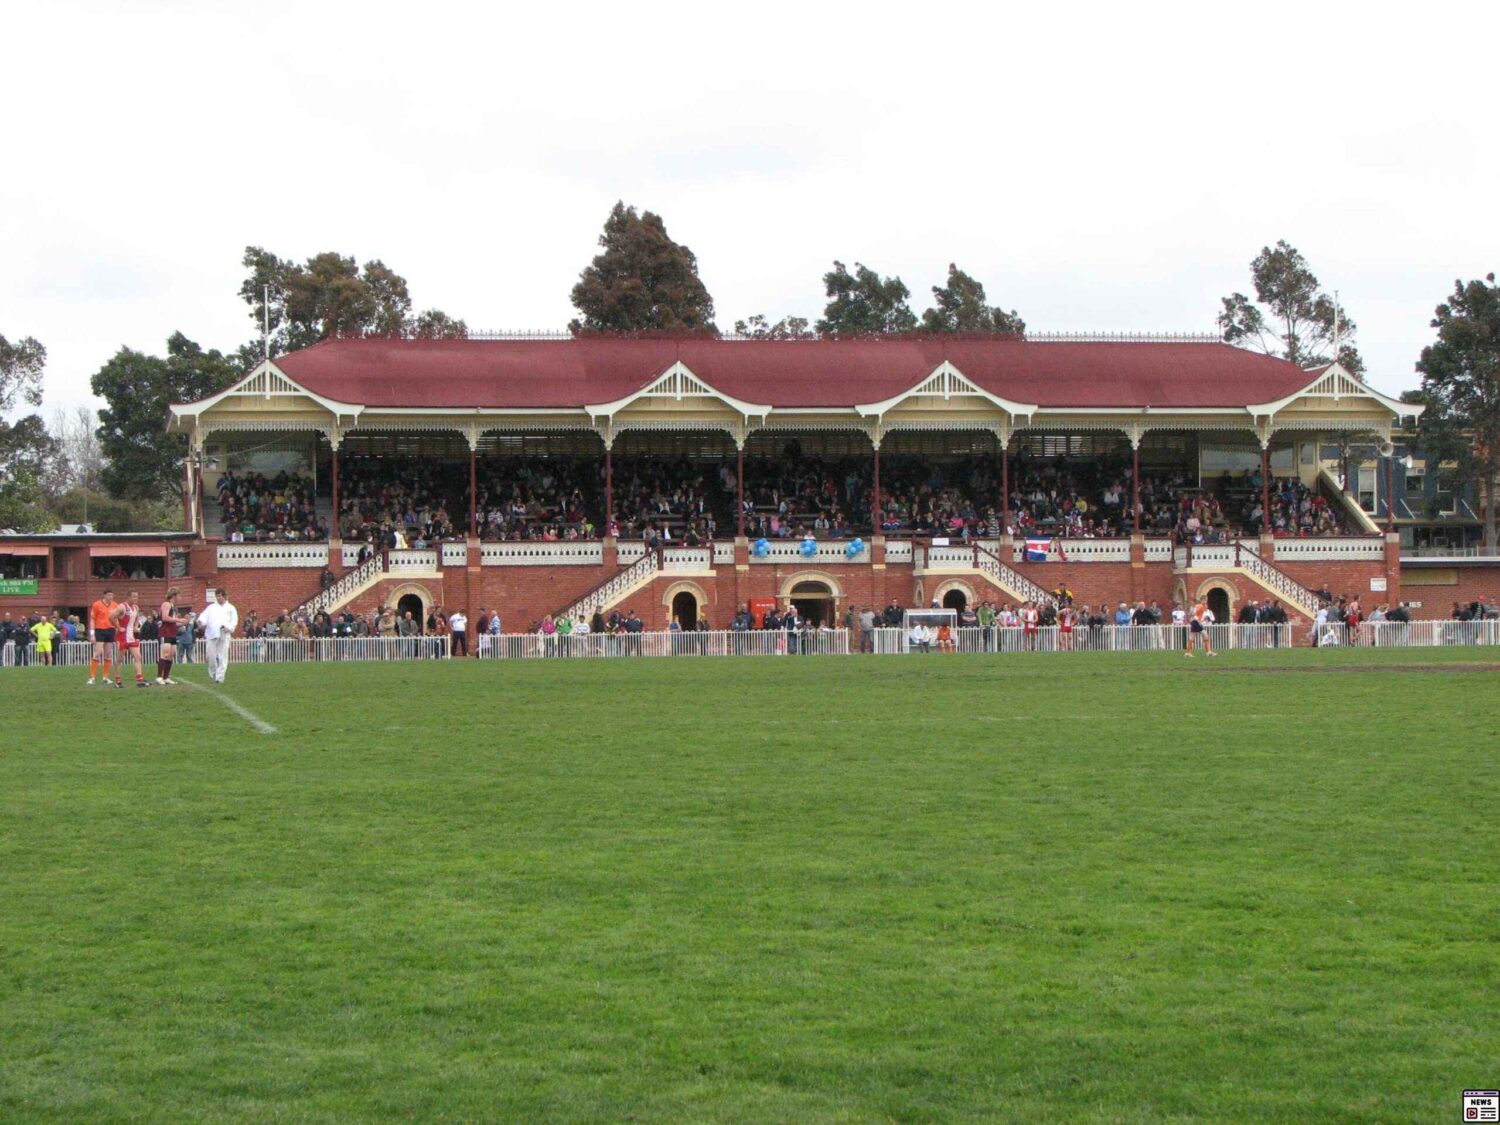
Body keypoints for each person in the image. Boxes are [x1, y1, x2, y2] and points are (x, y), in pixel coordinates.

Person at [198, 588, 239, 683]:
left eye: (220, 596)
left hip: (224, 633)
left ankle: (220, 678)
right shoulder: (211, 607)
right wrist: (201, 622)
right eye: (217, 596)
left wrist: (229, 628)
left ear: (224, 596)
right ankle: (213, 673)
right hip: (212, 634)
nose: (218, 598)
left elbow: (234, 621)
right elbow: (204, 616)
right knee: (210, 655)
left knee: (223, 656)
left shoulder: (231, 608)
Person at [110, 591, 148, 687]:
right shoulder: (122, 606)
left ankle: (139, 679)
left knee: (138, 656)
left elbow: (136, 618)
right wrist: (118, 627)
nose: (136, 598)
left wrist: (135, 627)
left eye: (137, 596)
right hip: (122, 636)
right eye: (134, 597)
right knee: (119, 659)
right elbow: (111, 616)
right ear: (128, 597)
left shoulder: (136, 607)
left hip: (131, 637)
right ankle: (117, 680)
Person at [156, 587, 189, 684]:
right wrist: (179, 620)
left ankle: (166, 677)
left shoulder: (174, 607)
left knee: (171, 655)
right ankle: (159, 677)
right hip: (165, 632)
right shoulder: (166, 604)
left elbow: (173, 623)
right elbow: (165, 617)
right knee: (165, 654)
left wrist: (184, 622)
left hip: (172, 633)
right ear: (174, 596)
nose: (181, 598)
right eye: (179, 595)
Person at [88, 588, 118, 685]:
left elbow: (117, 618)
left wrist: (118, 628)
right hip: (100, 630)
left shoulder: (115, 605)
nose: (111, 597)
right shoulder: (96, 604)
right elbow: (92, 619)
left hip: (110, 630)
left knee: (108, 653)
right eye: (109, 595)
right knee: (97, 652)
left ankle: (105, 677)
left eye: (112, 595)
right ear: (104, 595)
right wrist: (92, 633)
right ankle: (92, 677)